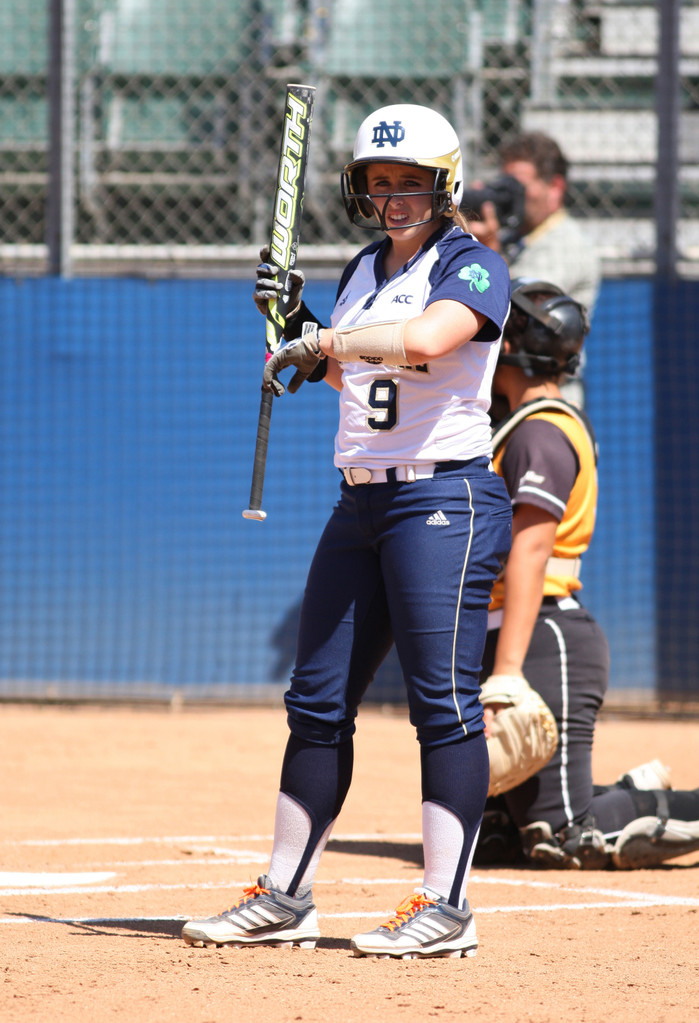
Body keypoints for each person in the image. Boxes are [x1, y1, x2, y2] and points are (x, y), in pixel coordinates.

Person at [181, 103, 513, 958]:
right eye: (378, 184)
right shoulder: (362, 267)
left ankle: (446, 906)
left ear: (444, 187)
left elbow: (428, 340)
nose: (393, 198)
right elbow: (360, 377)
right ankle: (286, 893)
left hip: (444, 498)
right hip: (360, 499)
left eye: (410, 183)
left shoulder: (473, 267)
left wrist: (325, 336)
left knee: (440, 703)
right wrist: (297, 339)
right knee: (316, 701)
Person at [475, 277, 699, 870]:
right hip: (503, 634)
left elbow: (529, 554)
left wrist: (504, 676)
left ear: (515, 346)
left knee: (568, 835)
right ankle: (621, 789)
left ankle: (664, 804)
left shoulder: (542, 432)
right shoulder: (507, 423)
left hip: (544, 637)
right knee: (493, 839)